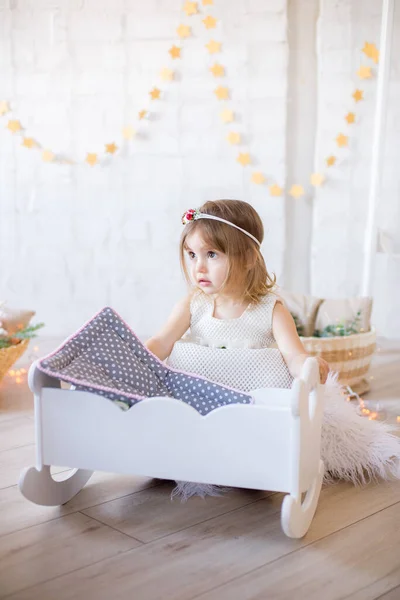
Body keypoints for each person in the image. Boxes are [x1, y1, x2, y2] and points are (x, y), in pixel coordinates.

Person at [145, 199, 330, 385]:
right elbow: (161, 343)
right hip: (198, 402)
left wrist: (307, 365)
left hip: (253, 404)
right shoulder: (192, 305)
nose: (198, 267)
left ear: (248, 258)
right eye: (192, 255)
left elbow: (293, 356)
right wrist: (134, 357)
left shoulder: (271, 310)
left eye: (211, 254)